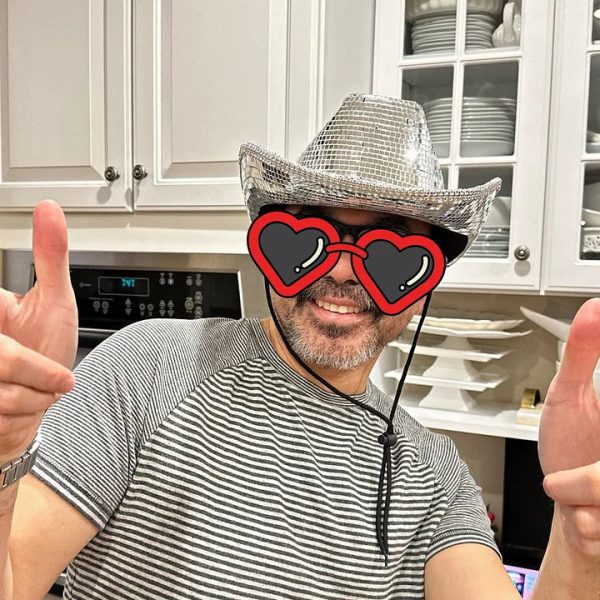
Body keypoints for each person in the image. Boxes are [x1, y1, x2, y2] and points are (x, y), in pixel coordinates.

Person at [0, 94, 598, 600]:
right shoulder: (146, 369)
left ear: (423, 284)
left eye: (391, 254)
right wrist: (4, 452)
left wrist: (580, 539)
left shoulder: (434, 478)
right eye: (311, 238)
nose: (341, 272)